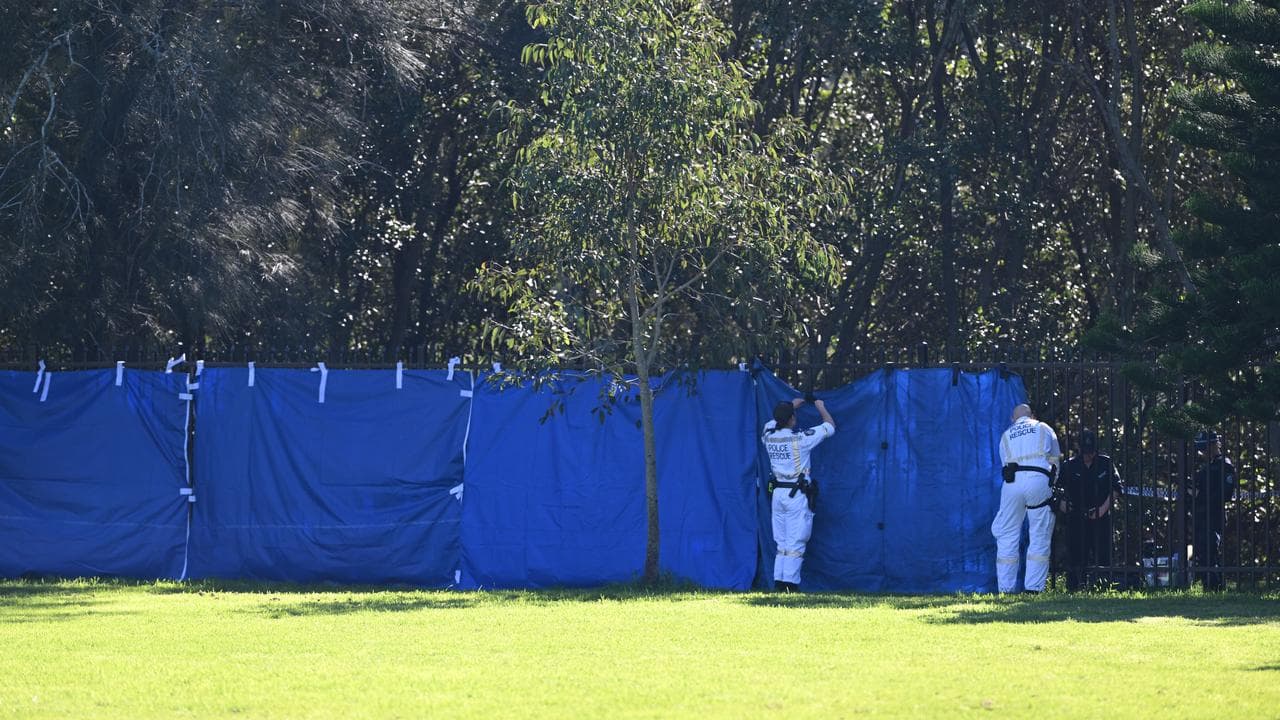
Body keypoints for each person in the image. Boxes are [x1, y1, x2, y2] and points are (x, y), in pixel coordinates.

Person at [762, 395, 835, 592]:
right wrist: (820, 406)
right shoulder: (800, 439)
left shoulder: (768, 435)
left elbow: (775, 420)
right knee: (796, 539)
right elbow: (829, 426)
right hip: (797, 495)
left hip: (777, 494)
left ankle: (779, 582)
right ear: (793, 418)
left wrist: (793, 404)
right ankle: (791, 585)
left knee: (781, 540)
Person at [992, 403, 1061, 594]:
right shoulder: (1044, 428)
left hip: (1012, 484)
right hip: (1039, 480)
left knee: (1007, 535)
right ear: (1033, 415)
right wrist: (1052, 484)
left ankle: (1005, 589)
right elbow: (1055, 460)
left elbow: (1004, 462)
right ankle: (1033, 588)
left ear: (1013, 419)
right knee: (1039, 533)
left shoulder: (1006, 435)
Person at [1057, 430, 1123, 590]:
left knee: (1103, 555)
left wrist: (1102, 509)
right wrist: (1062, 504)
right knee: (1075, 556)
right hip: (1076, 517)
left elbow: (1116, 488)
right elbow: (1058, 489)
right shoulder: (1069, 465)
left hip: (1100, 516)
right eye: (1086, 451)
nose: (1089, 455)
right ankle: (1074, 588)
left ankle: (1104, 587)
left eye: (1091, 451)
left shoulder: (1105, 463)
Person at [1188, 430, 1236, 591]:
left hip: (1214, 514)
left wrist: (1200, 495)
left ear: (1214, 446)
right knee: (1202, 550)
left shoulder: (1224, 465)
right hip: (1201, 514)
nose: (1202, 452)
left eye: (1205, 447)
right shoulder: (1207, 466)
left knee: (1210, 550)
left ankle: (1215, 587)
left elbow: (1225, 494)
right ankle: (1208, 585)